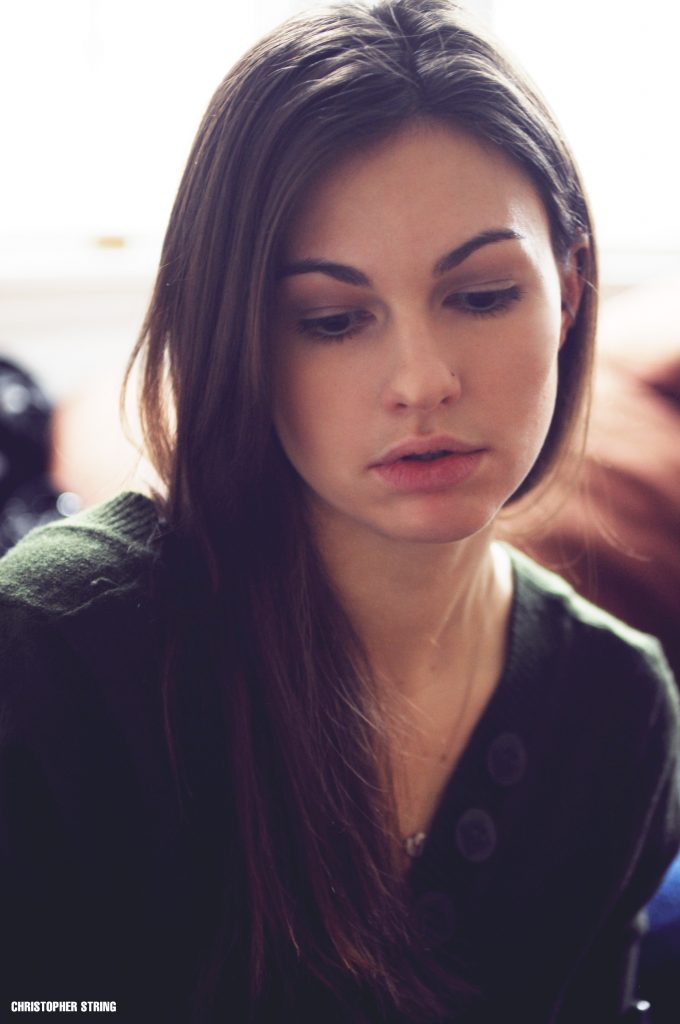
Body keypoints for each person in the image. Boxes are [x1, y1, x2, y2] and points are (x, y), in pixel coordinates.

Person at [1, 1, 678, 1021]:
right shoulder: (56, 652)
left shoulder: (614, 710)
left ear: (570, 290)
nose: (419, 380)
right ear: (237, 334)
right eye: (331, 318)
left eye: (483, 293)